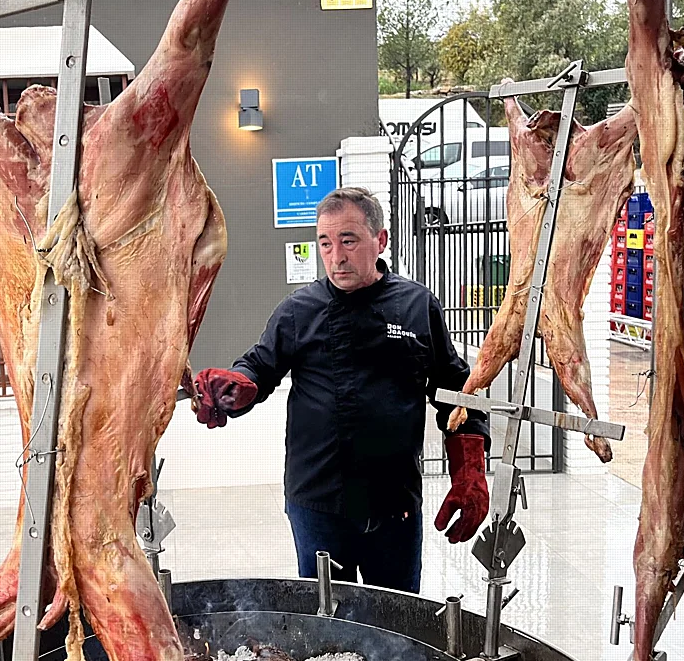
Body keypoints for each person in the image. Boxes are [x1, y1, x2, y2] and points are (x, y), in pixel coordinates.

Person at [192, 186, 490, 594]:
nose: (336, 256)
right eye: (325, 243)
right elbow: (259, 366)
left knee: (398, 622)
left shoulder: (418, 306)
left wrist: (470, 469)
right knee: (327, 623)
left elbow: (455, 391)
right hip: (317, 503)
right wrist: (239, 387)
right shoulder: (299, 310)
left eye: (348, 240)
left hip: (395, 503)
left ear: (380, 240)